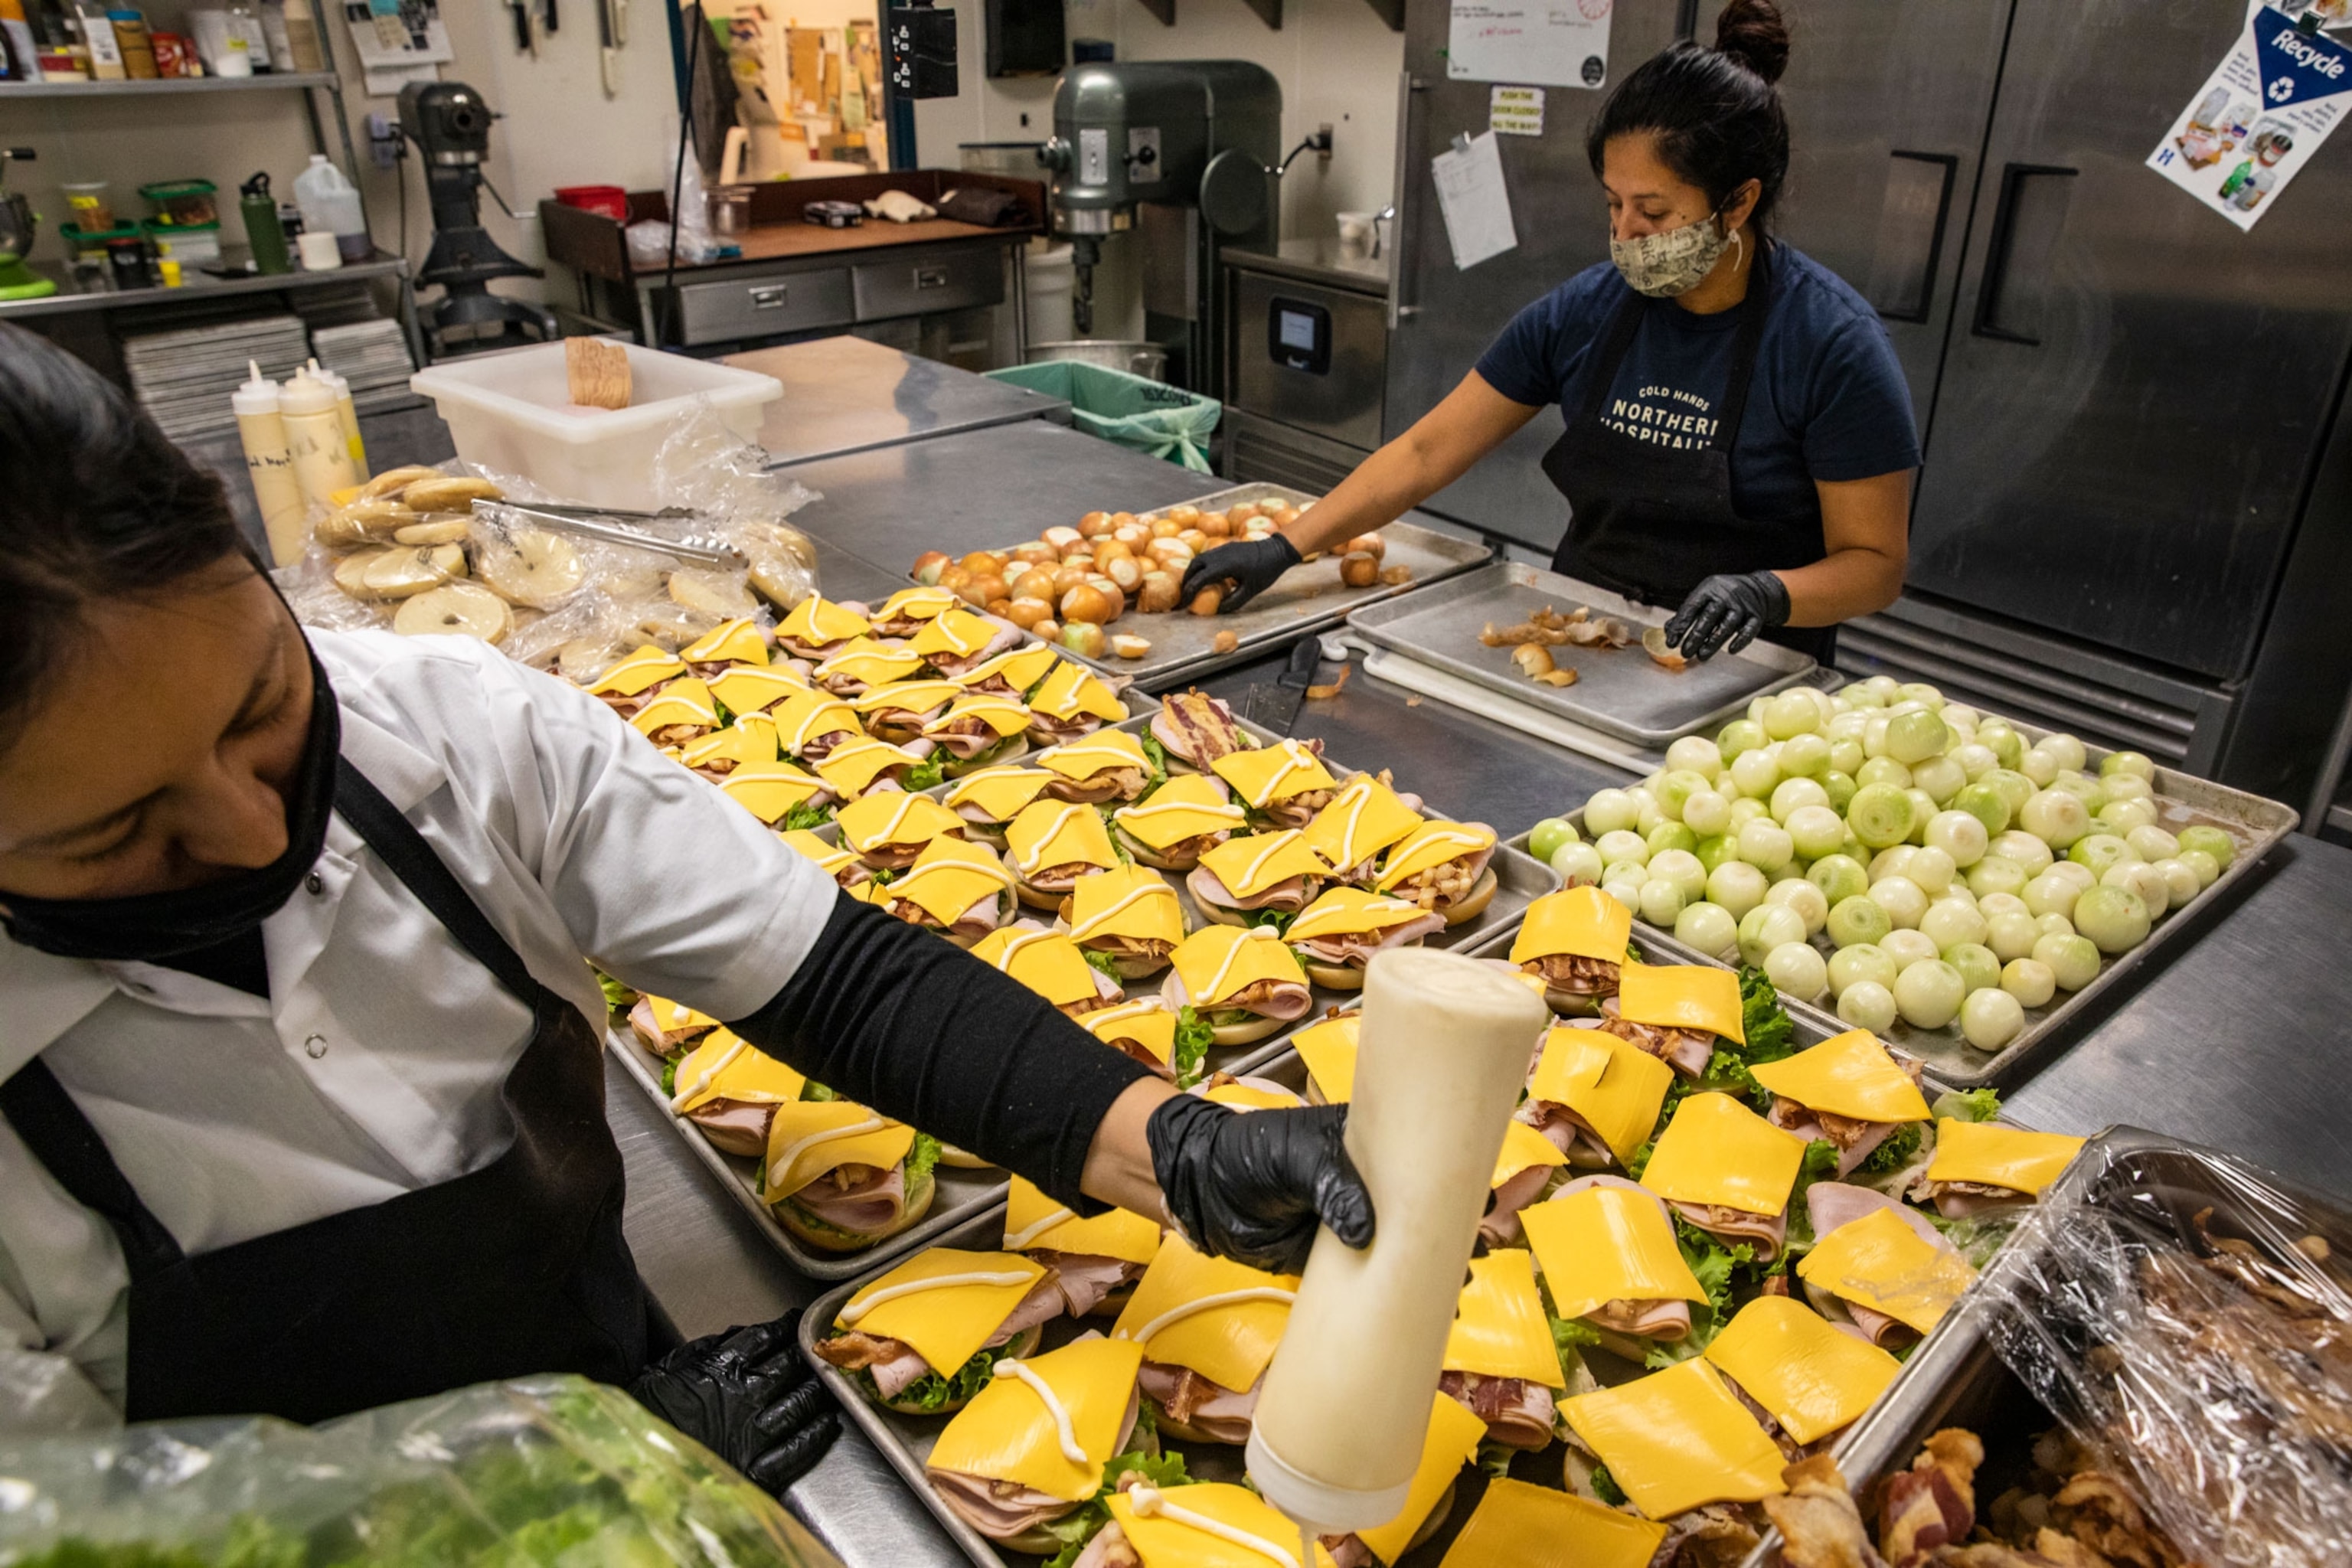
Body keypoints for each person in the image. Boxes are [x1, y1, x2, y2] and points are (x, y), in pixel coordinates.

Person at [0, 325, 1373, 1485]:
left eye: (261, 705)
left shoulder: (456, 729)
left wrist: (1169, 1141)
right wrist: (544, 1494)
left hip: (621, 1366)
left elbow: (833, 977)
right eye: (119, 827)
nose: (252, 828)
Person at [1185, 0, 1919, 665]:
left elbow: (1876, 563)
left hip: (1755, 672)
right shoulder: (1588, 312)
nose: (1626, 233)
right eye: (1613, 204)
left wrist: (1766, 593)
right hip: (1585, 637)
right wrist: (1286, 548)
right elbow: (1424, 451)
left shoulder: (1829, 344)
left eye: (1654, 213)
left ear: (1738, 202)